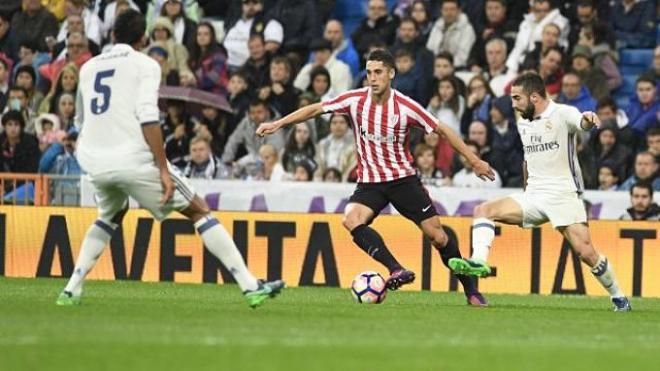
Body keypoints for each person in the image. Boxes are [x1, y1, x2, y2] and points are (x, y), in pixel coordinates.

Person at [56, 10, 284, 308]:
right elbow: (149, 118)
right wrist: (163, 169)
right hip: (133, 158)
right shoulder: (146, 65)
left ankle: (71, 289)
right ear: (144, 38)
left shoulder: (87, 68)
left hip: (94, 159)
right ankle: (250, 285)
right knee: (199, 209)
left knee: (110, 214)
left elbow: (79, 121)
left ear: (112, 35)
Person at [257, 49, 495, 306]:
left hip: (403, 180)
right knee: (351, 219)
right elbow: (316, 109)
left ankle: (471, 291)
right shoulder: (354, 100)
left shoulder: (405, 106)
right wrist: (279, 123)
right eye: (369, 72)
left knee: (437, 236)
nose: (372, 78)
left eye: (378, 72)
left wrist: (474, 160)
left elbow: (443, 129)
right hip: (370, 182)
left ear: (391, 74)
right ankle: (395, 269)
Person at [449, 73, 632, 312]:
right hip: (534, 195)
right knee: (484, 210)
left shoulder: (562, 113)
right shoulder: (523, 121)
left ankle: (619, 297)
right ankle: (478, 262)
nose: (513, 104)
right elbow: (529, 159)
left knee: (586, 252)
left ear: (534, 97)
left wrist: (588, 119)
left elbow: (581, 122)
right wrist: (527, 187)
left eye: (517, 98)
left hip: (563, 194)